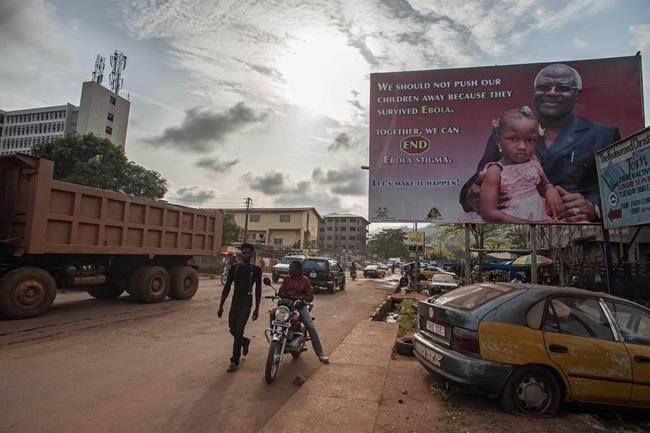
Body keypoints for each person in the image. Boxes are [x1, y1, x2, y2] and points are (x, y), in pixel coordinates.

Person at [460, 63, 620, 222]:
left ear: (577, 94)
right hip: (516, 231)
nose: (552, 93)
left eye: (562, 88)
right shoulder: (504, 134)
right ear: (534, 91)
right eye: (544, 87)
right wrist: (473, 196)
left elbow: (622, 191)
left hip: (580, 233)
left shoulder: (603, 135)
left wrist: (595, 208)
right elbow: (470, 189)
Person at [463, 107, 564, 223]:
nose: (522, 146)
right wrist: (534, 224)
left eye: (530, 140)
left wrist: (550, 191)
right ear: (499, 142)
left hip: (539, 215)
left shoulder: (533, 161)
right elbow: (489, 214)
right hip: (510, 223)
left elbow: (545, 184)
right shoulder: (495, 171)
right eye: (514, 139)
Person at [218, 243, 262, 373]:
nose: (246, 255)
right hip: (235, 303)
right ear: (240, 254)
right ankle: (245, 342)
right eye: (244, 252)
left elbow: (258, 290)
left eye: (248, 253)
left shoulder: (256, 270)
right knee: (232, 329)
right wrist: (221, 306)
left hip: (246, 304)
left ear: (252, 254)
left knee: (238, 331)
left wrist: (257, 309)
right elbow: (227, 287)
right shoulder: (234, 268)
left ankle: (234, 361)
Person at [278, 261, 329, 363]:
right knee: (273, 315)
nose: (290, 270)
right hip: (287, 304)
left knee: (310, 327)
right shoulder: (287, 279)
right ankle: (276, 341)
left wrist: (302, 298)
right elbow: (280, 291)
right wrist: (284, 295)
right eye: (289, 267)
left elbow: (310, 296)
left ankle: (320, 354)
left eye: (292, 268)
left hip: (300, 306)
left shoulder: (305, 280)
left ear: (298, 270)